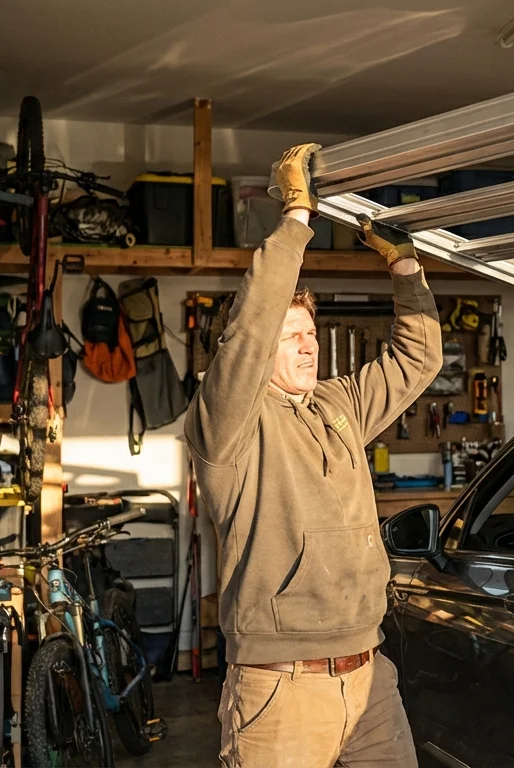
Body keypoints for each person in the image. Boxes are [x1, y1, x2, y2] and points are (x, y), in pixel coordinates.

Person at [185, 143, 441, 768]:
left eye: (312, 335)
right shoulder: (228, 424)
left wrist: (406, 267)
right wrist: (296, 217)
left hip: (369, 675)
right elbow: (249, 329)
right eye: (291, 337)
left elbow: (419, 360)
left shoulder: (337, 405)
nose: (309, 348)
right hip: (281, 683)